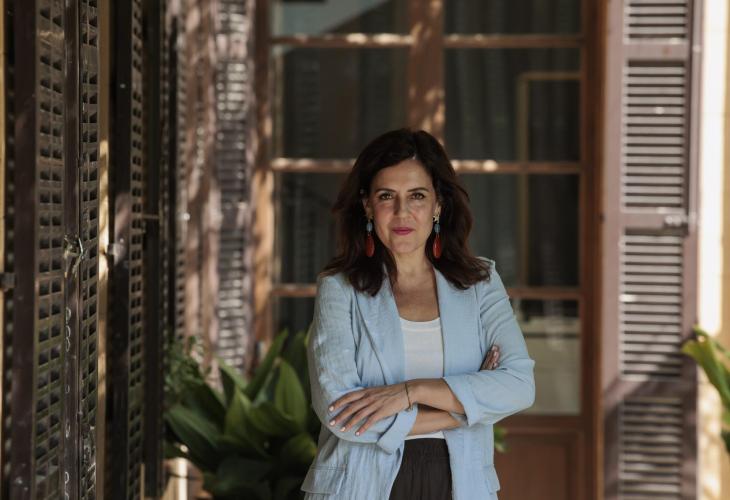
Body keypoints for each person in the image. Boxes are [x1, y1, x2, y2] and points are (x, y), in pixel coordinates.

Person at [301, 128, 535, 500]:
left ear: (438, 205)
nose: (402, 212)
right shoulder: (339, 289)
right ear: (367, 206)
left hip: (461, 484)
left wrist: (412, 392)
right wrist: (461, 410)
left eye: (417, 196)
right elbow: (341, 415)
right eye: (386, 196)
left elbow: (519, 387)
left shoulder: (480, 283)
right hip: (359, 483)